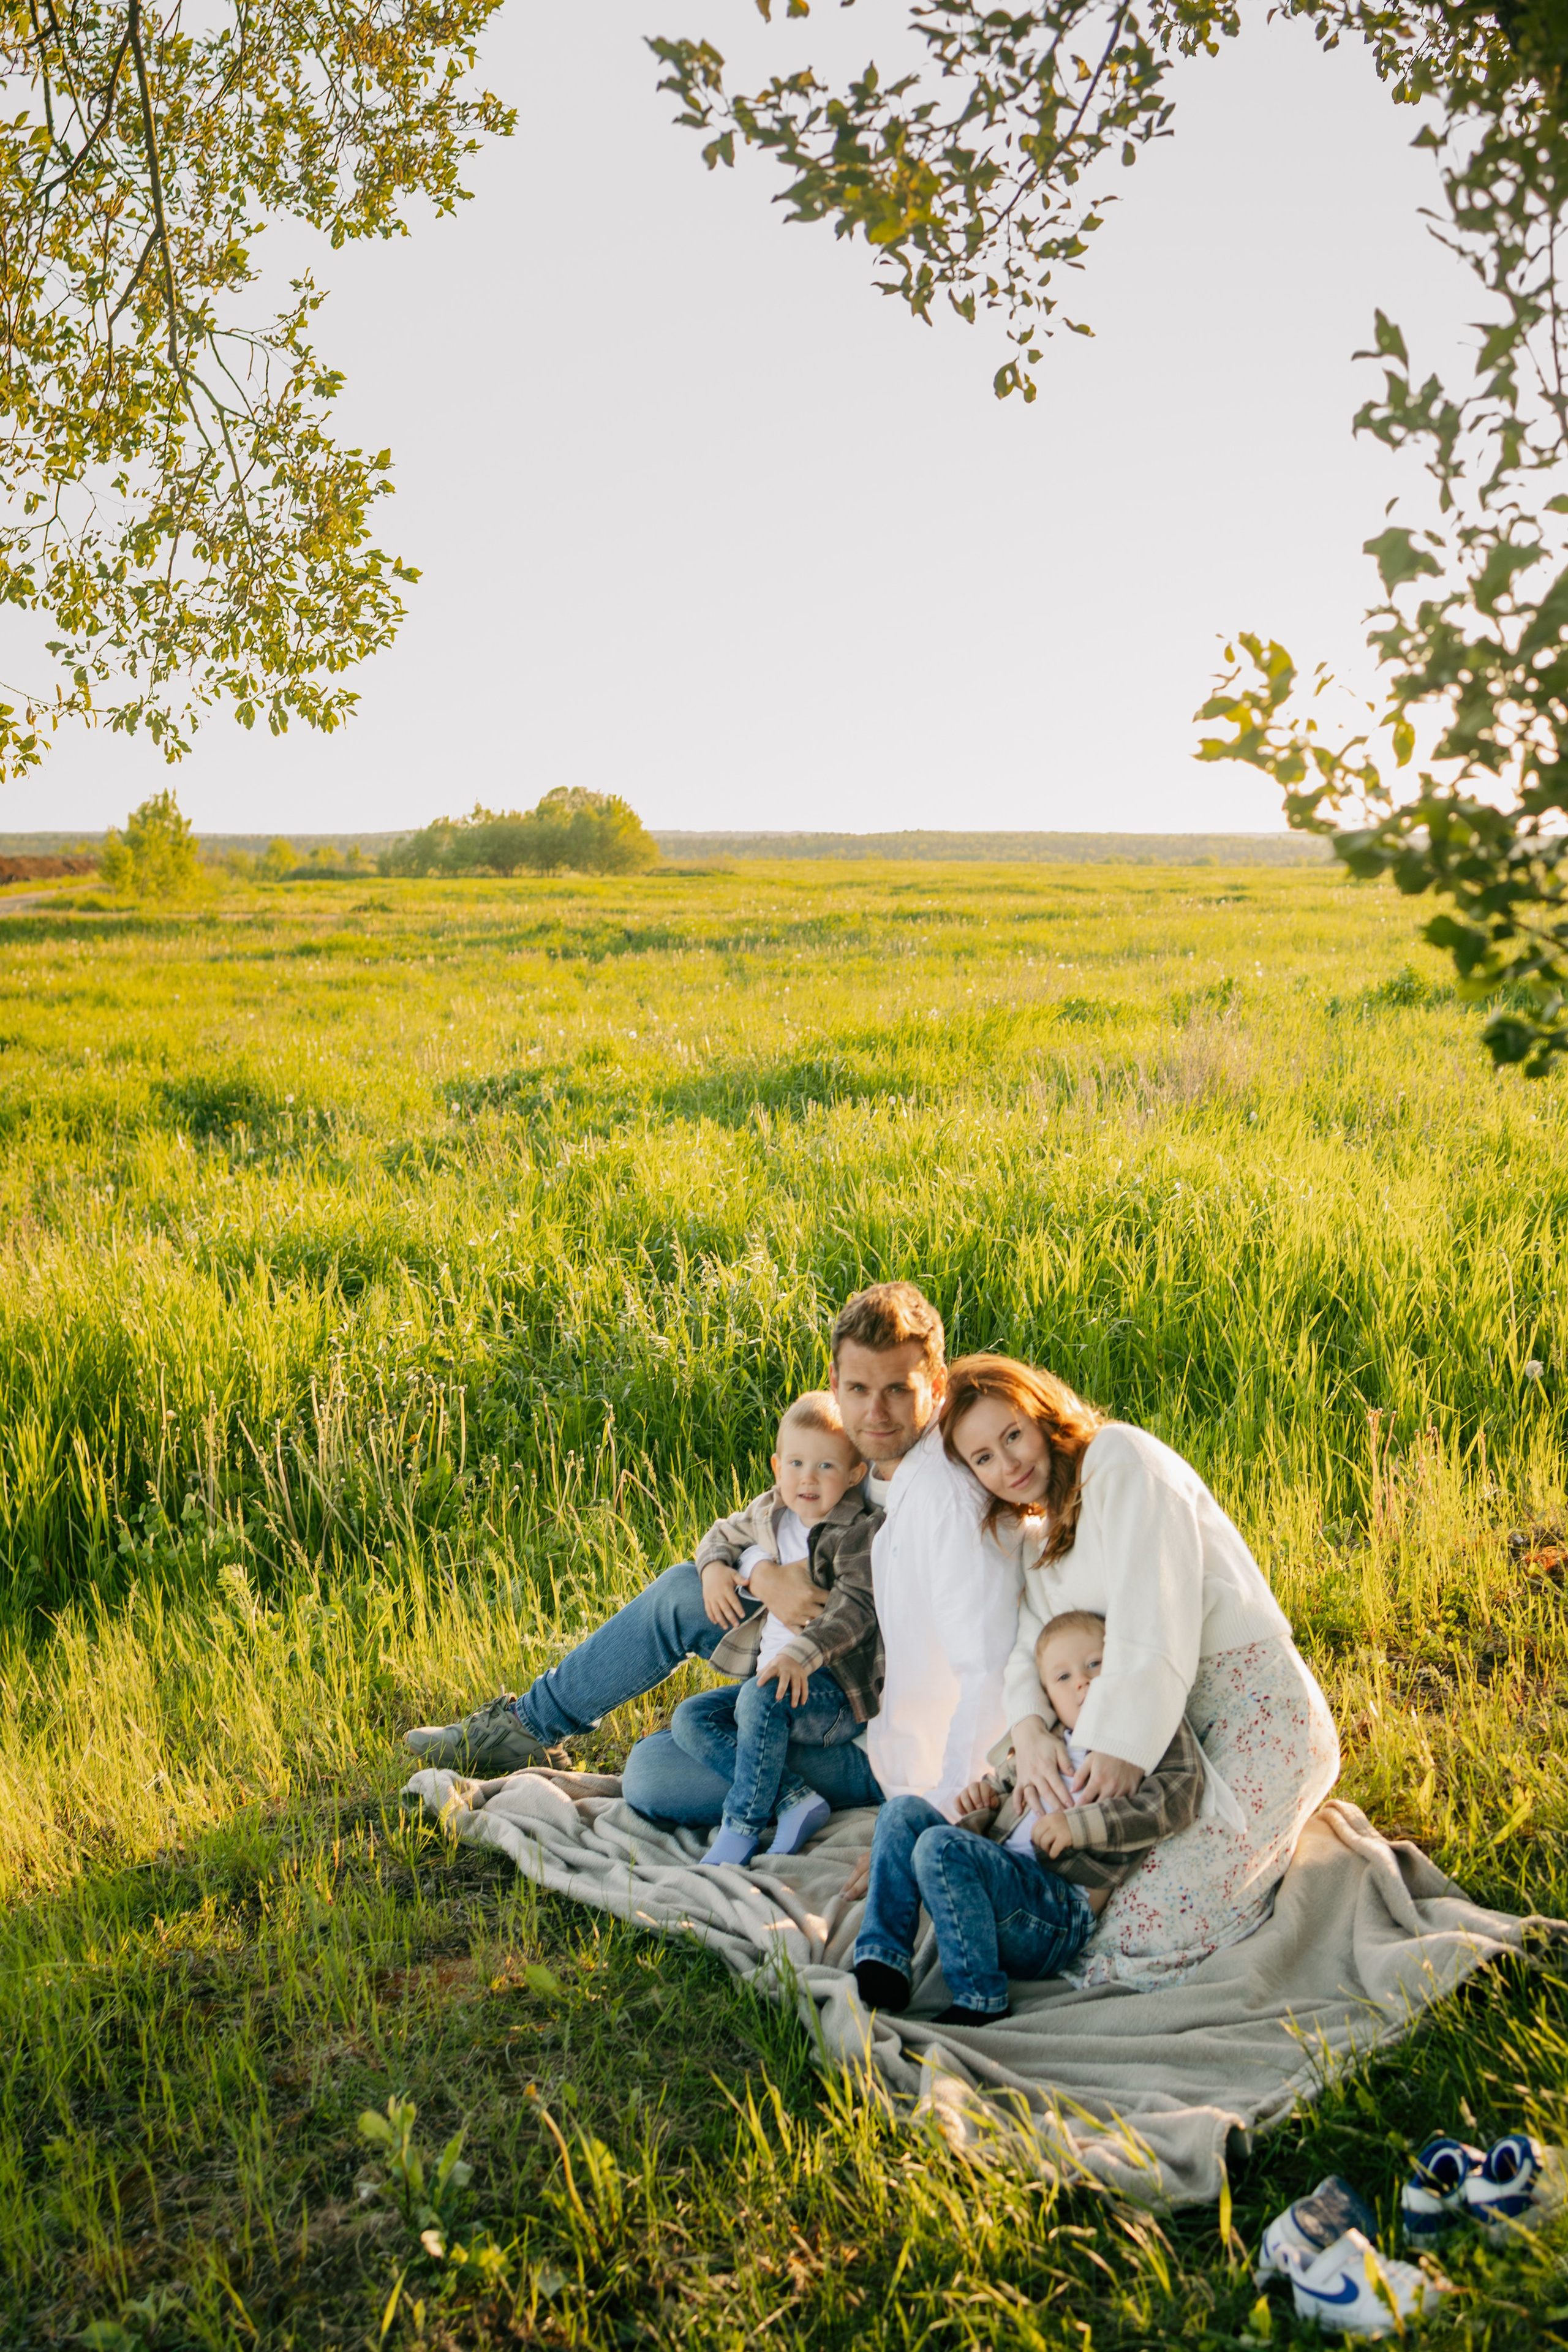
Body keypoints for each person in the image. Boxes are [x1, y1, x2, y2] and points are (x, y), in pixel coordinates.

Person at [403, 1283, 1020, 1838]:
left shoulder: (944, 1497)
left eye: (897, 1390)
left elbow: (983, 1673)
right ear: (834, 1383)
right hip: (812, 1658)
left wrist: (932, 1814)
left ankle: (778, 1779)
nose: (875, 1413)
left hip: (866, 1730)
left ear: (935, 1385)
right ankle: (526, 1728)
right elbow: (764, 1520)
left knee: (651, 1772)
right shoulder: (864, 1460)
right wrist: (759, 1573)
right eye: (859, 1389)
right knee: (684, 1590)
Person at [941, 1354, 1341, 1989]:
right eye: (984, 1457)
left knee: (1139, 1935)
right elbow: (1030, 1648)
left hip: (1250, 1710)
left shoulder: (1118, 1460)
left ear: (1043, 1416)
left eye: (1013, 1434)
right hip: (1165, 1734)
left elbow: (1154, 1610)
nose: (1008, 1464)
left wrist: (1122, 1743)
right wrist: (1031, 1731)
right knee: (1092, 1921)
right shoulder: (1042, 1540)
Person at [852, 1609, 1206, 2022]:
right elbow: (1002, 1787)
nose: (1082, 1681)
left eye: (1095, 1664)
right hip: (993, 1886)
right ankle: (884, 1960)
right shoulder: (1049, 1740)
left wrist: (1079, 1827)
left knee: (940, 1846)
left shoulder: (1142, 1733)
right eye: (1064, 1677)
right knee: (900, 1812)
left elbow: (1178, 1796)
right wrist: (984, 1800)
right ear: (1048, 1697)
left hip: (1055, 1915)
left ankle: (981, 1998)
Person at [669, 1392, 881, 1868]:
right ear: (777, 1466)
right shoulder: (771, 1512)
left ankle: (742, 1827)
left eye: (826, 1466)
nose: (808, 1478)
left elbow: (857, 1611)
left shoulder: (856, 1532)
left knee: (758, 1698)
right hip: (773, 1687)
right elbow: (720, 1535)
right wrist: (713, 1569)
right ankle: (794, 1799)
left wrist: (801, 1654)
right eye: (796, 1463)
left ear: (854, 1475)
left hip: (833, 1694)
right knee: (691, 1718)